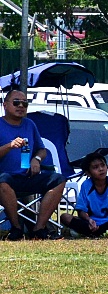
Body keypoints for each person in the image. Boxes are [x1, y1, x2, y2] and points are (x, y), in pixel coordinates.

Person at [0, 89, 66, 240]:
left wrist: (36, 159)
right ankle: (16, 228)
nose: (21, 106)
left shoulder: (30, 125)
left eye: (25, 103)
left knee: (59, 180)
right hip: (5, 179)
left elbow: (42, 150)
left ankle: (39, 228)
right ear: (5, 105)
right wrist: (9, 145)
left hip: (27, 176)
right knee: (2, 180)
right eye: (16, 102)